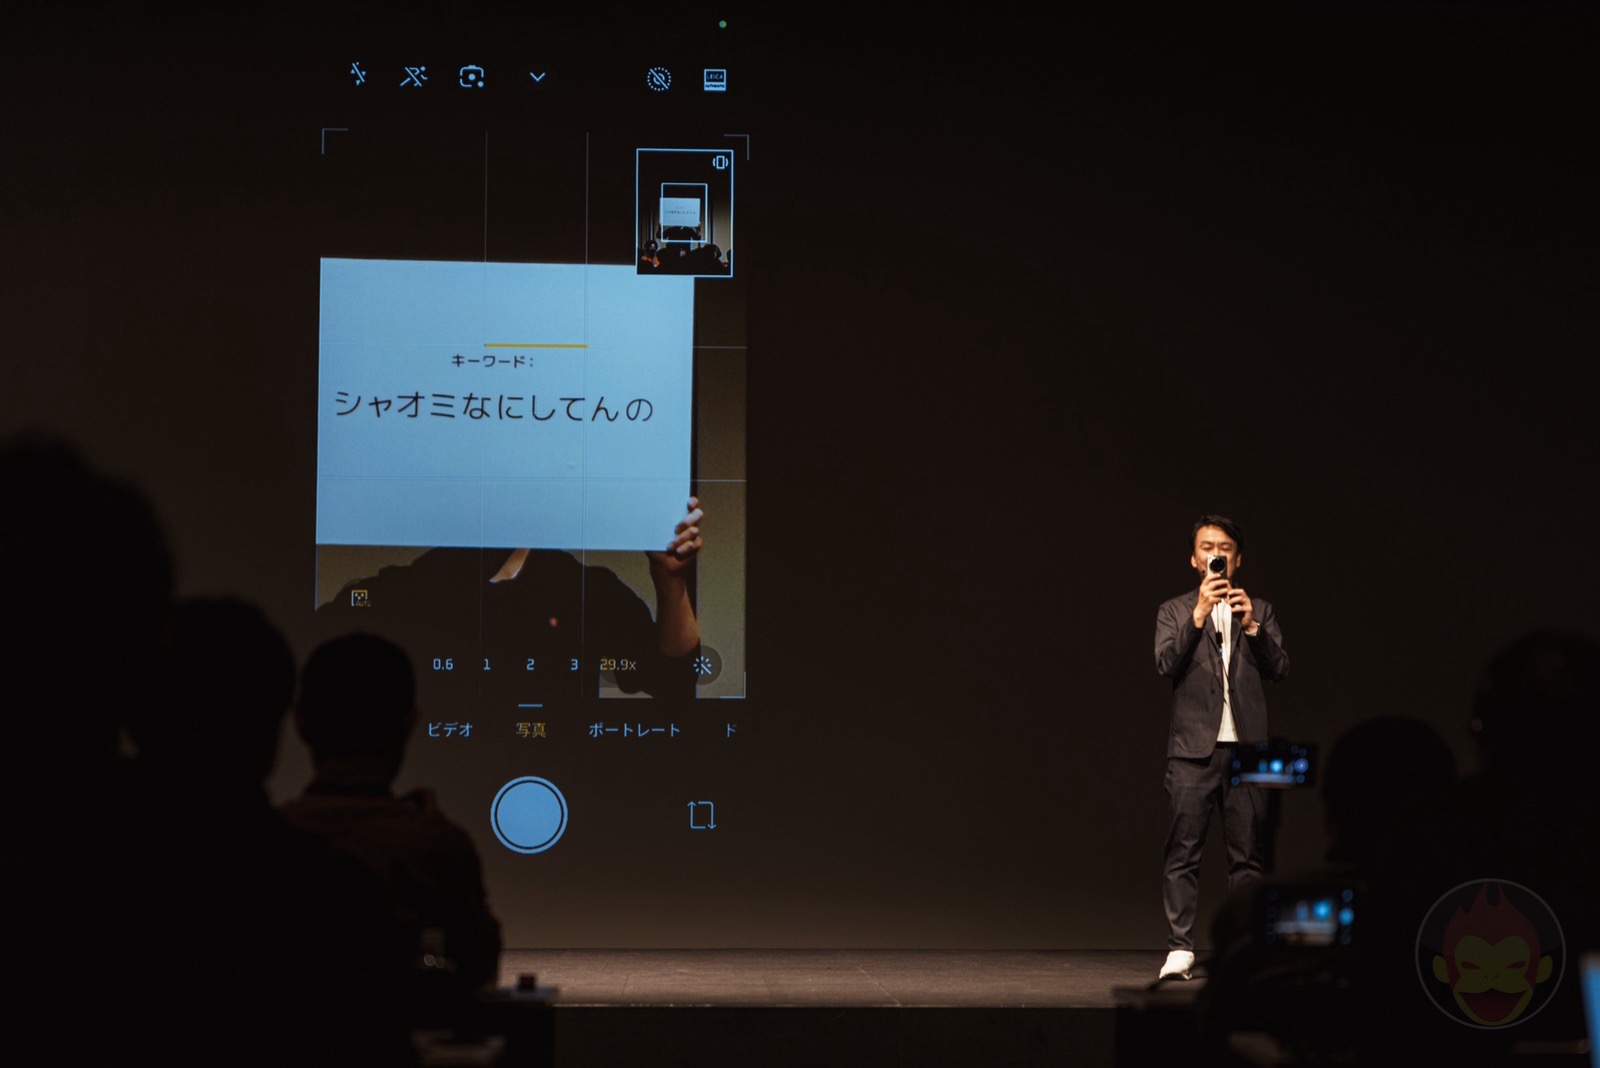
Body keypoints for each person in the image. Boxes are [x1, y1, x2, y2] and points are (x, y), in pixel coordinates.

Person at [281, 631, 504, 1018]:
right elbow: (478, 963)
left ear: (300, 723)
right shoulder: (437, 846)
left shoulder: (259, 839)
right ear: (409, 723)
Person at [315, 497, 705, 703]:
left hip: (561, 775)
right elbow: (321, 637)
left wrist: (670, 581)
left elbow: (672, 681)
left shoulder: (584, 588)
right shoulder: (422, 581)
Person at [1154, 515, 1289, 981]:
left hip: (1249, 750)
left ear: (1237, 559)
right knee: (1183, 852)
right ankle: (1179, 948)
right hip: (1193, 749)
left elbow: (1280, 668)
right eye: (1207, 547)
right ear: (1195, 559)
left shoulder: (1260, 609)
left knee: (1248, 855)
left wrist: (1252, 626)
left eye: (1225, 548)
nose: (1216, 554)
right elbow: (1165, 662)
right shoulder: (1174, 611)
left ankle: (1243, 946)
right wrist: (1197, 615)